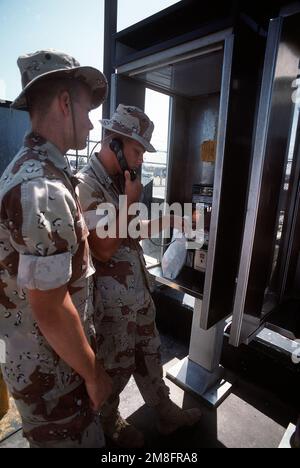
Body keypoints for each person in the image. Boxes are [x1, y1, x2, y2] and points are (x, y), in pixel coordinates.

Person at [0, 50, 112, 448]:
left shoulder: (38, 171)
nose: (91, 120)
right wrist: (94, 373)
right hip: (54, 379)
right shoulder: (42, 186)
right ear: (65, 103)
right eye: (86, 107)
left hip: (45, 368)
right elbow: (49, 307)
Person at [76, 104, 202, 448]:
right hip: (112, 310)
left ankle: (164, 412)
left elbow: (133, 229)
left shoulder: (119, 183)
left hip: (137, 296)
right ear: (114, 142)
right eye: (137, 150)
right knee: (114, 371)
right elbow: (102, 247)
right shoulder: (86, 186)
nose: (142, 159)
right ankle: (110, 425)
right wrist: (129, 203)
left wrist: (172, 220)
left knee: (150, 357)